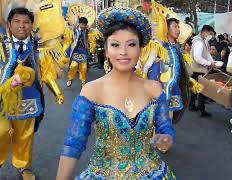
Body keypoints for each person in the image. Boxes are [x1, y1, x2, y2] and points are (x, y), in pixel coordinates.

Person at [56, 7, 176, 179]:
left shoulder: (154, 89)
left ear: (141, 50)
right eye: (115, 44)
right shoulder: (91, 91)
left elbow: (166, 128)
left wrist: (166, 139)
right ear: (105, 50)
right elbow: (74, 142)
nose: (123, 52)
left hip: (154, 173)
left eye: (131, 44)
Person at [0, 7, 66, 180]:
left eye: (26, 22)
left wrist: (57, 91)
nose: (22, 26)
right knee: (1, 131)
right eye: (17, 21)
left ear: (31, 25)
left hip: (29, 100)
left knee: (25, 136)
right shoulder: (1, 45)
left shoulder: (38, 48)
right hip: (2, 99)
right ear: (9, 24)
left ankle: (24, 165)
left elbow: (47, 73)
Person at [190, 25, 218, 117]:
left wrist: (212, 62)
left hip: (199, 68)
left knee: (195, 88)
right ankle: (201, 110)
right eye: (210, 34)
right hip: (198, 69)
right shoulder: (199, 42)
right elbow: (197, 57)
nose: (211, 36)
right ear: (205, 32)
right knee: (202, 90)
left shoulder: (204, 41)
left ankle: (192, 105)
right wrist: (209, 64)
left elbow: (207, 54)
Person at [66, 17, 99, 87]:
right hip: (75, 51)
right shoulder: (74, 31)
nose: (83, 26)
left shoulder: (88, 31)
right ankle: (70, 79)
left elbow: (92, 39)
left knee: (83, 67)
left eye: (84, 25)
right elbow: (68, 39)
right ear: (79, 24)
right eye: (82, 24)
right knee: (73, 66)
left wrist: (91, 49)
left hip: (83, 51)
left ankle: (83, 80)